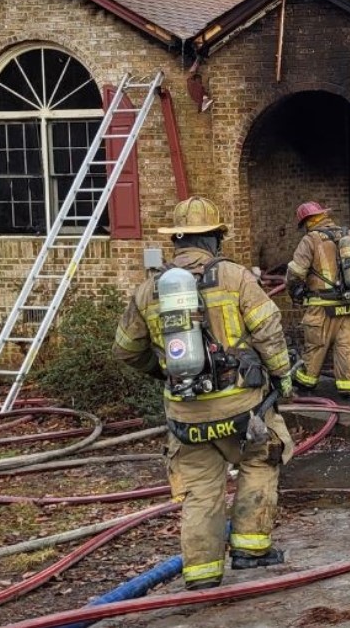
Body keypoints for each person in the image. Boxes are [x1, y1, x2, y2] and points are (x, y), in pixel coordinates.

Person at [113, 196, 296, 588]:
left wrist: (164, 372)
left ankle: (200, 574)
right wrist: (282, 376)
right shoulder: (234, 276)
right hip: (243, 406)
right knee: (262, 460)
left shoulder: (151, 289)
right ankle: (251, 550)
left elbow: (125, 350)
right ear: (215, 239)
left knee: (200, 491)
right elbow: (268, 328)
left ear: (175, 242)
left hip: (186, 413)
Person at [284, 201, 350, 397]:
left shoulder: (310, 240)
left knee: (316, 345)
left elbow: (295, 273)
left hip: (322, 306)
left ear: (307, 221)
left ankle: (306, 383)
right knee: (346, 347)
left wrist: (296, 293)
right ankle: (349, 389)